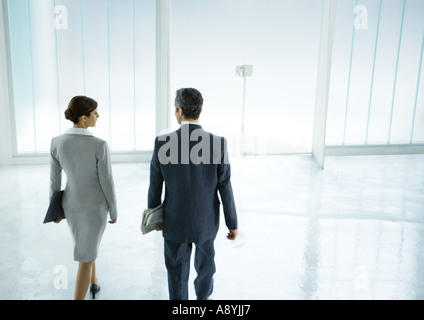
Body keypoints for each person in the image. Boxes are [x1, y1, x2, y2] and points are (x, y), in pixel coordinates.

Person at [148, 88, 238, 300]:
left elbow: (155, 185)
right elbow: (225, 185)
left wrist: (154, 218)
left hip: (174, 220)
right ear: (199, 110)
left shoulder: (162, 143)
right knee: (206, 266)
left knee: (176, 272)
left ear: (179, 110)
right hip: (206, 220)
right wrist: (231, 223)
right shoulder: (218, 143)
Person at [50, 96, 118, 300]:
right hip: (95, 208)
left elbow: (54, 180)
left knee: (86, 244)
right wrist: (113, 210)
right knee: (85, 256)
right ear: (83, 117)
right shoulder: (99, 145)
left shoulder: (57, 142)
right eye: (95, 112)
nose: (98, 116)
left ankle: (94, 280)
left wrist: (56, 210)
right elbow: (107, 181)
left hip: (70, 205)